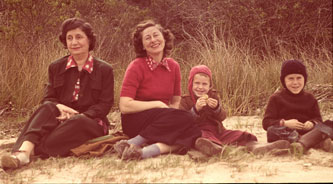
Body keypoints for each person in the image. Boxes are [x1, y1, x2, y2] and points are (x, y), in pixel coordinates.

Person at [1, 18, 114, 169]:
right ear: (65, 42)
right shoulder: (56, 67)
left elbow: (105, 104)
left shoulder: (104, 69)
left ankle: (30, 150)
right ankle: (23, 154)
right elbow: (49, 98)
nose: (74, 42)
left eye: (79, 37)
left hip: (90, 123)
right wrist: (62, 108)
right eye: (70, 38)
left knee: (78, 122)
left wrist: (81, 115)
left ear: (89, 40)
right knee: (47, 107)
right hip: (61, 120)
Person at [113, 19, 201, 160]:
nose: (153, 40)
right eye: (147, 38)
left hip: (162, 119)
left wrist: (170, 114)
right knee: (187, 120)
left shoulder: (174, 66)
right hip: (135, 120)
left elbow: (175, 100)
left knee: (194, 130)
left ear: (164, 38)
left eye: (156, 35)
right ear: (142, 45)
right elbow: (124, 106)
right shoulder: (136, 66)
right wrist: (157, 104)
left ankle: (144, 152)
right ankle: (134, 141)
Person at [180, 65, 290, 156]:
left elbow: (223, 117)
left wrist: (216, 108)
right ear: (191, 84)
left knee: (243, 136)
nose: (200, 87)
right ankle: (216, 149)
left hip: (219, 132)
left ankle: (257, 147)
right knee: (202, 138)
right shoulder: (185, 100)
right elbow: (182, 122)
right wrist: (196, 109)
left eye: (204, 84)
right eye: (197, 83)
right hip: (200, 132)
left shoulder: (213, 96)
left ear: (209, 86)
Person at [262, 59, 333, 153]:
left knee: (329, 124)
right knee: (272, 131)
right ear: (284, 80)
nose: (295, 83)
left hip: (308, 132)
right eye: (291, 78)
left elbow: (318, 119)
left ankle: (302, 143)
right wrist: (285, 123)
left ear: (304, 79)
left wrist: (312, 123)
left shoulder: (310, 98)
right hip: (287, 133)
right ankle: (312, 143)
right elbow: (266, 123)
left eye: (299, 78)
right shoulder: (276, 98)